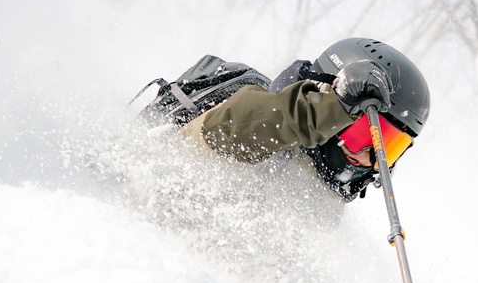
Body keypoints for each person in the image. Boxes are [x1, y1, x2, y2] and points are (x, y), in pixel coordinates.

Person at [182, 38, 429, 202]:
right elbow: (233, 129)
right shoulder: (260, 113)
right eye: (366, 132)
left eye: (388, 146)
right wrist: (329, 107)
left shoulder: (327, 200)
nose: (367, 155)